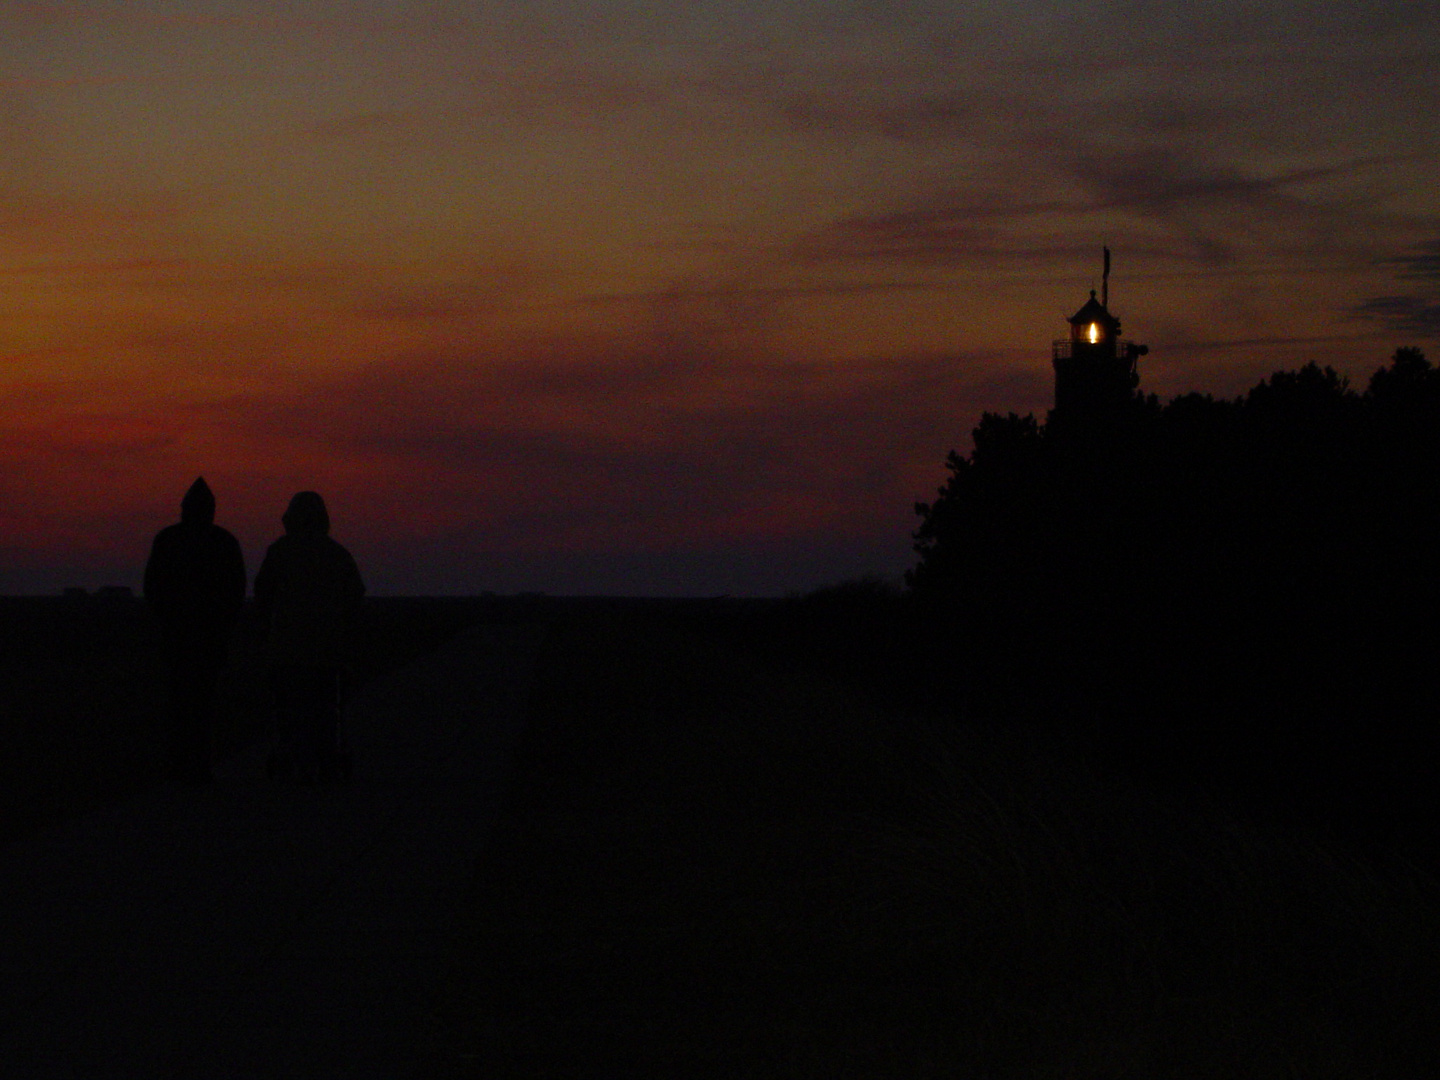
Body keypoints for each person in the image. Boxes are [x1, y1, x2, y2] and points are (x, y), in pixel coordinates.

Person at [253, 491, 365, 779]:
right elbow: (355, 594)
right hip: (327, 648)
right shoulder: (335, 553)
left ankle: (292, 755)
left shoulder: (280, 551)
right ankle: (326, 757)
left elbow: (263, 594)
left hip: (287, 648)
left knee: (289, 708)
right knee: (326, 708)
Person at [143, 477, 247, 785]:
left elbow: (153, 586)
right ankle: (195, 767)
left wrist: (167, 620)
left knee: (182, 704)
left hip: (181, 637)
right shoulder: (223, 542)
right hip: (204, 639)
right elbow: (235, 591)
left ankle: (181, 767)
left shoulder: (169, 540)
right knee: (200, 704)